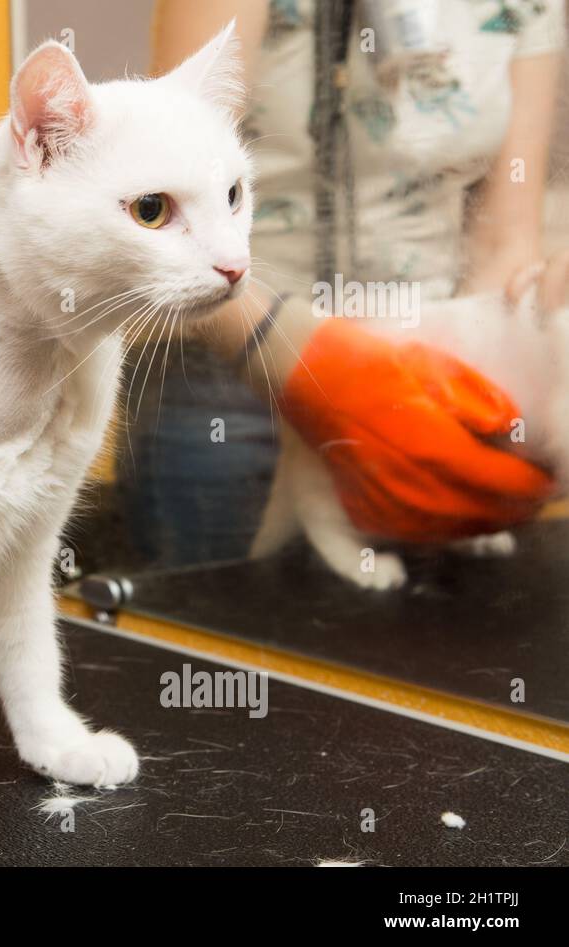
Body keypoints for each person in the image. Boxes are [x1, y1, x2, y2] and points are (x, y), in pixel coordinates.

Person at [123, 0, 566, 566]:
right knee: (222, 635)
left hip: (421, 387)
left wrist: (490, 401)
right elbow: (161, 201)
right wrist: (298, 352)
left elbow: (504, 244)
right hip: (226, 374)